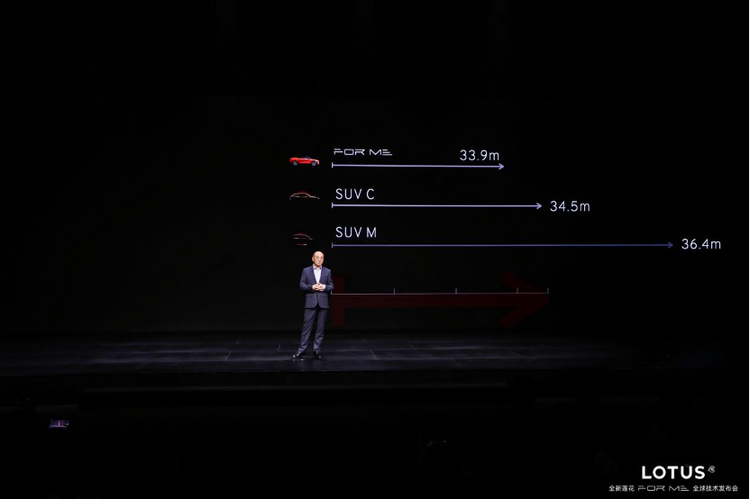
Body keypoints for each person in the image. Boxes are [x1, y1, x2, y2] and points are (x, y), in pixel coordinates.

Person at [292, 250, 334, 360]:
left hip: (323, 303)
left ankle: (317, 350)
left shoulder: (327, 271)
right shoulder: (306, 271)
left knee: (320, 329)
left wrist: (324, 287)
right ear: (313, 258)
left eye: (322, 257)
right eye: (317, 257)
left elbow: (331, 286)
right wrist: (312, 287)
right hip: (310, 302)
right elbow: (301, 285)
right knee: (306, 328)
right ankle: (302, 350)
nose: (319, 259)